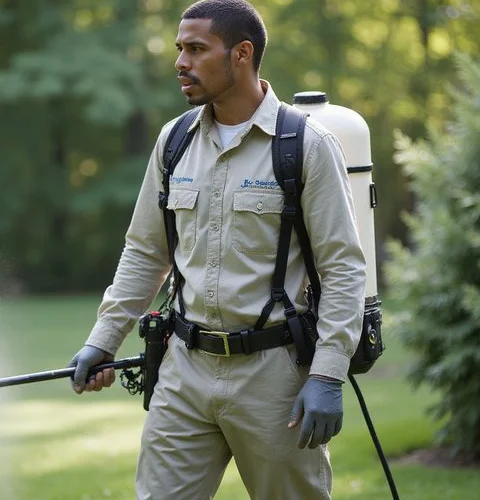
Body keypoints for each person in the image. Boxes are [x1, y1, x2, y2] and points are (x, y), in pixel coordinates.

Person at [67, 0, 365, 498]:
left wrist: (328, 376)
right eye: (180, 48)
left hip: (274, 378)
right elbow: (146, 252)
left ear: (241, 53)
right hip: (183, 372)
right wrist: (103, 338)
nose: (180, 62)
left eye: (196, 49)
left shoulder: (305, 145)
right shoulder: (174, 140)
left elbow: (343, 270)